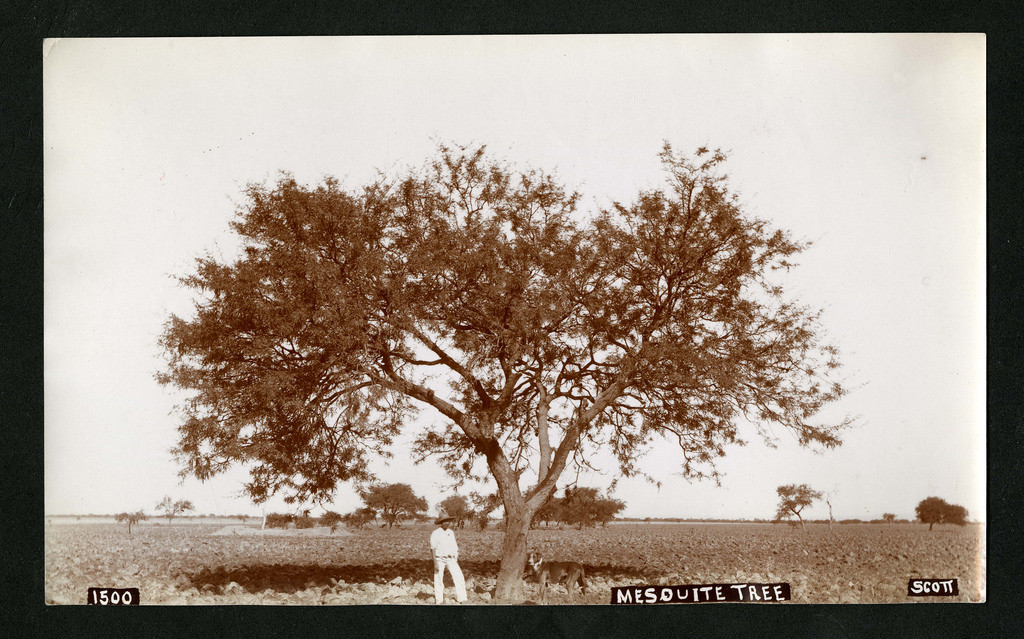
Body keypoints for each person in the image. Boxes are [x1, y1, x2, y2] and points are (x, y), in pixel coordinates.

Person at [430, 508, 467, 604]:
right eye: (443, 521)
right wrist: (435, 563)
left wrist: (456, 558)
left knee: (459, 577)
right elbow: (432, 549)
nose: (446, 523)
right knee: (438, 580)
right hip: (440, 559)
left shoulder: (451, 533)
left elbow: (455, 547)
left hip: (451, 559)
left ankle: (462, 599)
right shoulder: (435, 533)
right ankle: (439, 600)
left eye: (447, 521)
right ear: (440, 523)